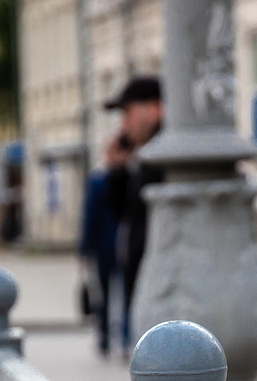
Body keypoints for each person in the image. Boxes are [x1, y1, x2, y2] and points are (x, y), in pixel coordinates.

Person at [103, 76, 164, 345]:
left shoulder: (166, 158)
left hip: (160, 291)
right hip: (145, 287)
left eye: (128, 112)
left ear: (154, 109)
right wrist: (117, 170)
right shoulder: (145, 160)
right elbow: (125, 216)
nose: (123, 124)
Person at [79, 168, 121, 357]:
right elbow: (90, 216)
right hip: (107, 247)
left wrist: (85, 249)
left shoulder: (130, 178)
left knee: (115, 294)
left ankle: (114, 336)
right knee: (105, 294)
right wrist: (85, 249)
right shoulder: (99, 181)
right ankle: (107, 336)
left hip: (118, 247)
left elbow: (89, 216)